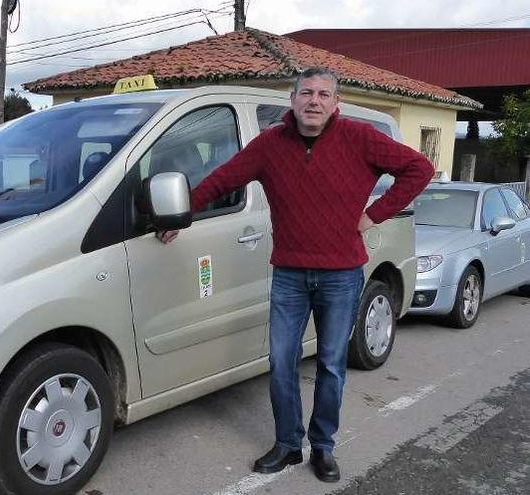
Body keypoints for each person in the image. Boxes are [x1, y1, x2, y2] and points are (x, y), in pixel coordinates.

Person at [159, 67, 434, 482]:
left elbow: (419, 169)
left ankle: (323, 447)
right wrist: (182, 214)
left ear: (335, 103)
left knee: (331, 364)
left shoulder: (360, 138)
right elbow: (221, 179)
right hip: (289, 273)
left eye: (324, 94)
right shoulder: (270, 144)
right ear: (293, 99)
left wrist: (374, 215)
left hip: (341, 275)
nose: (314, 101)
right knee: (282, 362)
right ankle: (288, 444)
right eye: (307, 92)